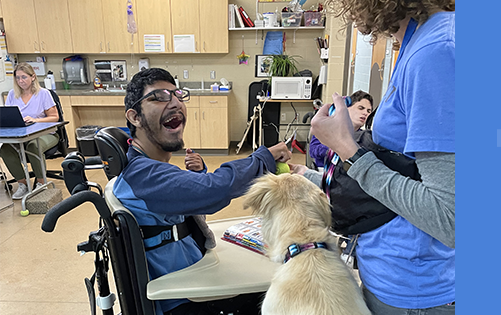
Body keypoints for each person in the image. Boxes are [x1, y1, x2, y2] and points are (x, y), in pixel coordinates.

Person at [291, 0, 455, 314]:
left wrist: (348, 149)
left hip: (414, 288)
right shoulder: (424, 40)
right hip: (395, 272)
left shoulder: (436, 53)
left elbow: (449, 219)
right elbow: (410, 164)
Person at [112, 68, 291, 315]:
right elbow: (215, 189)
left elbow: (191, 194)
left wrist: (198, 175)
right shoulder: (144, 175)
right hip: (182, 298)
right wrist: (264, 159)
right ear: (134, 116)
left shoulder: (147, 169)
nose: (175, 103)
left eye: (177, 95)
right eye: (160, 97)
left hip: (190, 277)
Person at [0, 62, 60, 200]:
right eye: (18, 78)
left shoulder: (43, 94)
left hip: (46, 134)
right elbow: (8, 116)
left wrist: (35, 120)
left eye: (24, 77)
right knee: (5, 150)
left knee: (33, 146)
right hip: (21, 134)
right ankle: (23, 184)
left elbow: (54, 117)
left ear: (33, 77)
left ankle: (41, 182)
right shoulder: (11, 95)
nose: (21, 81)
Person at [308, 90, 373, 168]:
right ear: (347, 108)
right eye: (361, 108)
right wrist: (337, 147)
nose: (365, 113)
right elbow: (313, 150)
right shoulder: (328, 126)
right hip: (322, 172)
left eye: (369, 111)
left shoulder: (364, 138)